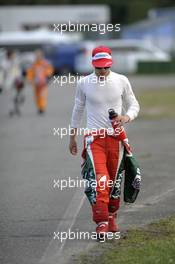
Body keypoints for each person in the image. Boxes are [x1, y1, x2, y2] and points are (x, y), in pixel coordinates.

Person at [69, 46, 140, 239]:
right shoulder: (84, 83)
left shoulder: (121, 80)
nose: (102, 71)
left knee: (114, 182)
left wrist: (126, 117)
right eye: (99, 67)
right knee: (100, 181)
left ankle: (111, 217)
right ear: (93, 64)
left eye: (106, 67)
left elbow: (134, 104)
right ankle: (101, 222)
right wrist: (72, 136)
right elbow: (77, 109)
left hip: (116, 138)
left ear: (111, 64)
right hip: (94, 140)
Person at [27, 50, 53, 115]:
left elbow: (50, 70)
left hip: (43, 83)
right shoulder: (33, 64)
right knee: (37, 96)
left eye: (39, 55)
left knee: (42, 95)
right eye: (36, 55)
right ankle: (39, 107)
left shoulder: (45, 63)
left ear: (41, 56)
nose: (38, 57)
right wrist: (29, 79)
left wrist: (48, 75)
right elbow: (30, 72)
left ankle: (42, 108)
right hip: (36, 83)